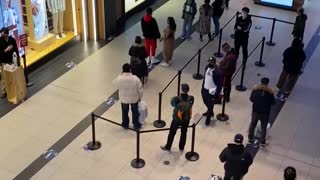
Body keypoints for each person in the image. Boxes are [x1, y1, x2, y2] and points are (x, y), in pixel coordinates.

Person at [161, 83, 194, 152]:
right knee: (184, 132)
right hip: (186, 118)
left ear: (181, 90)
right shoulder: (191, 98)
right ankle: (181, 147)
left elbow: (172, 104)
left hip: (177, 119)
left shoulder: (177, 99)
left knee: (172, 133)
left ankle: (168, 146)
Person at [112, 63, 143, 130]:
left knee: (124, 112)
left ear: (122, 70)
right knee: (135, 111)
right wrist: (140, 97)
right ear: (130, 69)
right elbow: (140, 89)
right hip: (134, 98)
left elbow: (114, 84)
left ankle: (125, 124)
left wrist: (120, 75)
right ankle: (136, 124)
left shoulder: (120, 78)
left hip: (124, 99)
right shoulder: (135, 78)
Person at [248, 77, 275, 147]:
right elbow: (273, 102)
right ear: (267, 83)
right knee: (263, 127)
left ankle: (250, 138)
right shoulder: (270, 93)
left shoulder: (255, 90)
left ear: (261, 82)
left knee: (252, 124)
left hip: (255, 111)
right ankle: (262, 142)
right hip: (265, 113)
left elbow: (251, 99)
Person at [201, 57, 222, 126]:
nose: (210, 63)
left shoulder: (217, 72)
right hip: (205, 88)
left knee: (210, 104)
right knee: (205, 100)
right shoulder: (207, 67)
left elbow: (219, 84)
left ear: (214, 63)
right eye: (209, 62)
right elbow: (205, 77)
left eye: (211, 62)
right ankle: (210, 111)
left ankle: (208, 117)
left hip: (211, 91)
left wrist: (217, 93)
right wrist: (203, 86)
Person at [0, 27, 19, 98]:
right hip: (4, 62)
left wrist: (17, 59)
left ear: (7, 34)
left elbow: (16, 50)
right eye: (1, 34)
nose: (2, 35)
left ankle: (14, 89)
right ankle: (4, 91)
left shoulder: (12, 39)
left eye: (4, 34)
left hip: (12, 61)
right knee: (4, 77)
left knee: (13, 75)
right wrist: (6, 50)